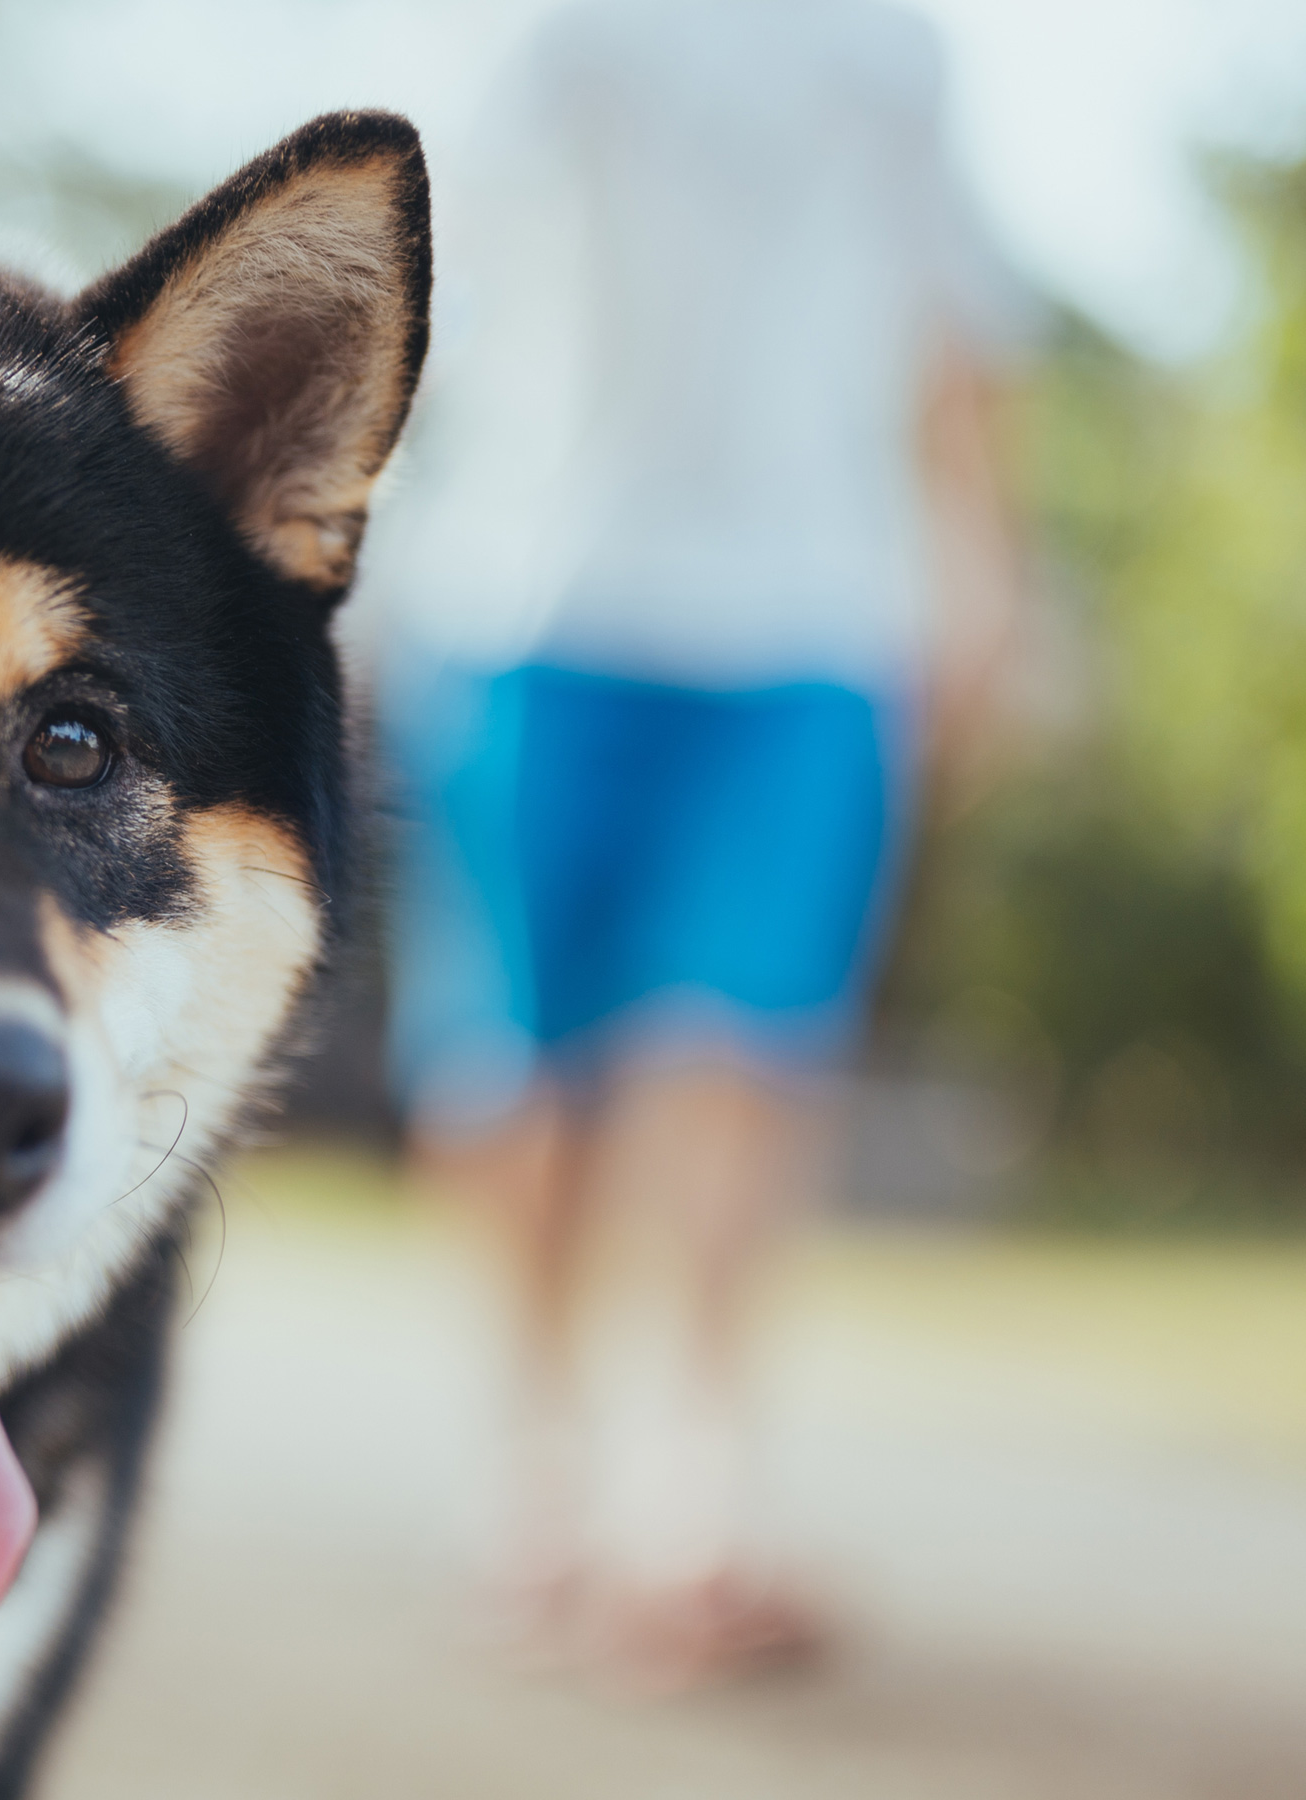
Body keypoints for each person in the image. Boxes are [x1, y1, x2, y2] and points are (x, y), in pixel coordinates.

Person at [361, 0, 1035, 1686]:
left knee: (746, 1041)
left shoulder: (892, 47)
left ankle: (692, 1482)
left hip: (813, 617)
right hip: (531, 601)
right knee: (510, 1067)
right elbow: (403, 278)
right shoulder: (536, 28)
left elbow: (966, 319)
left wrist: (986, 568)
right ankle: (538, 1438)